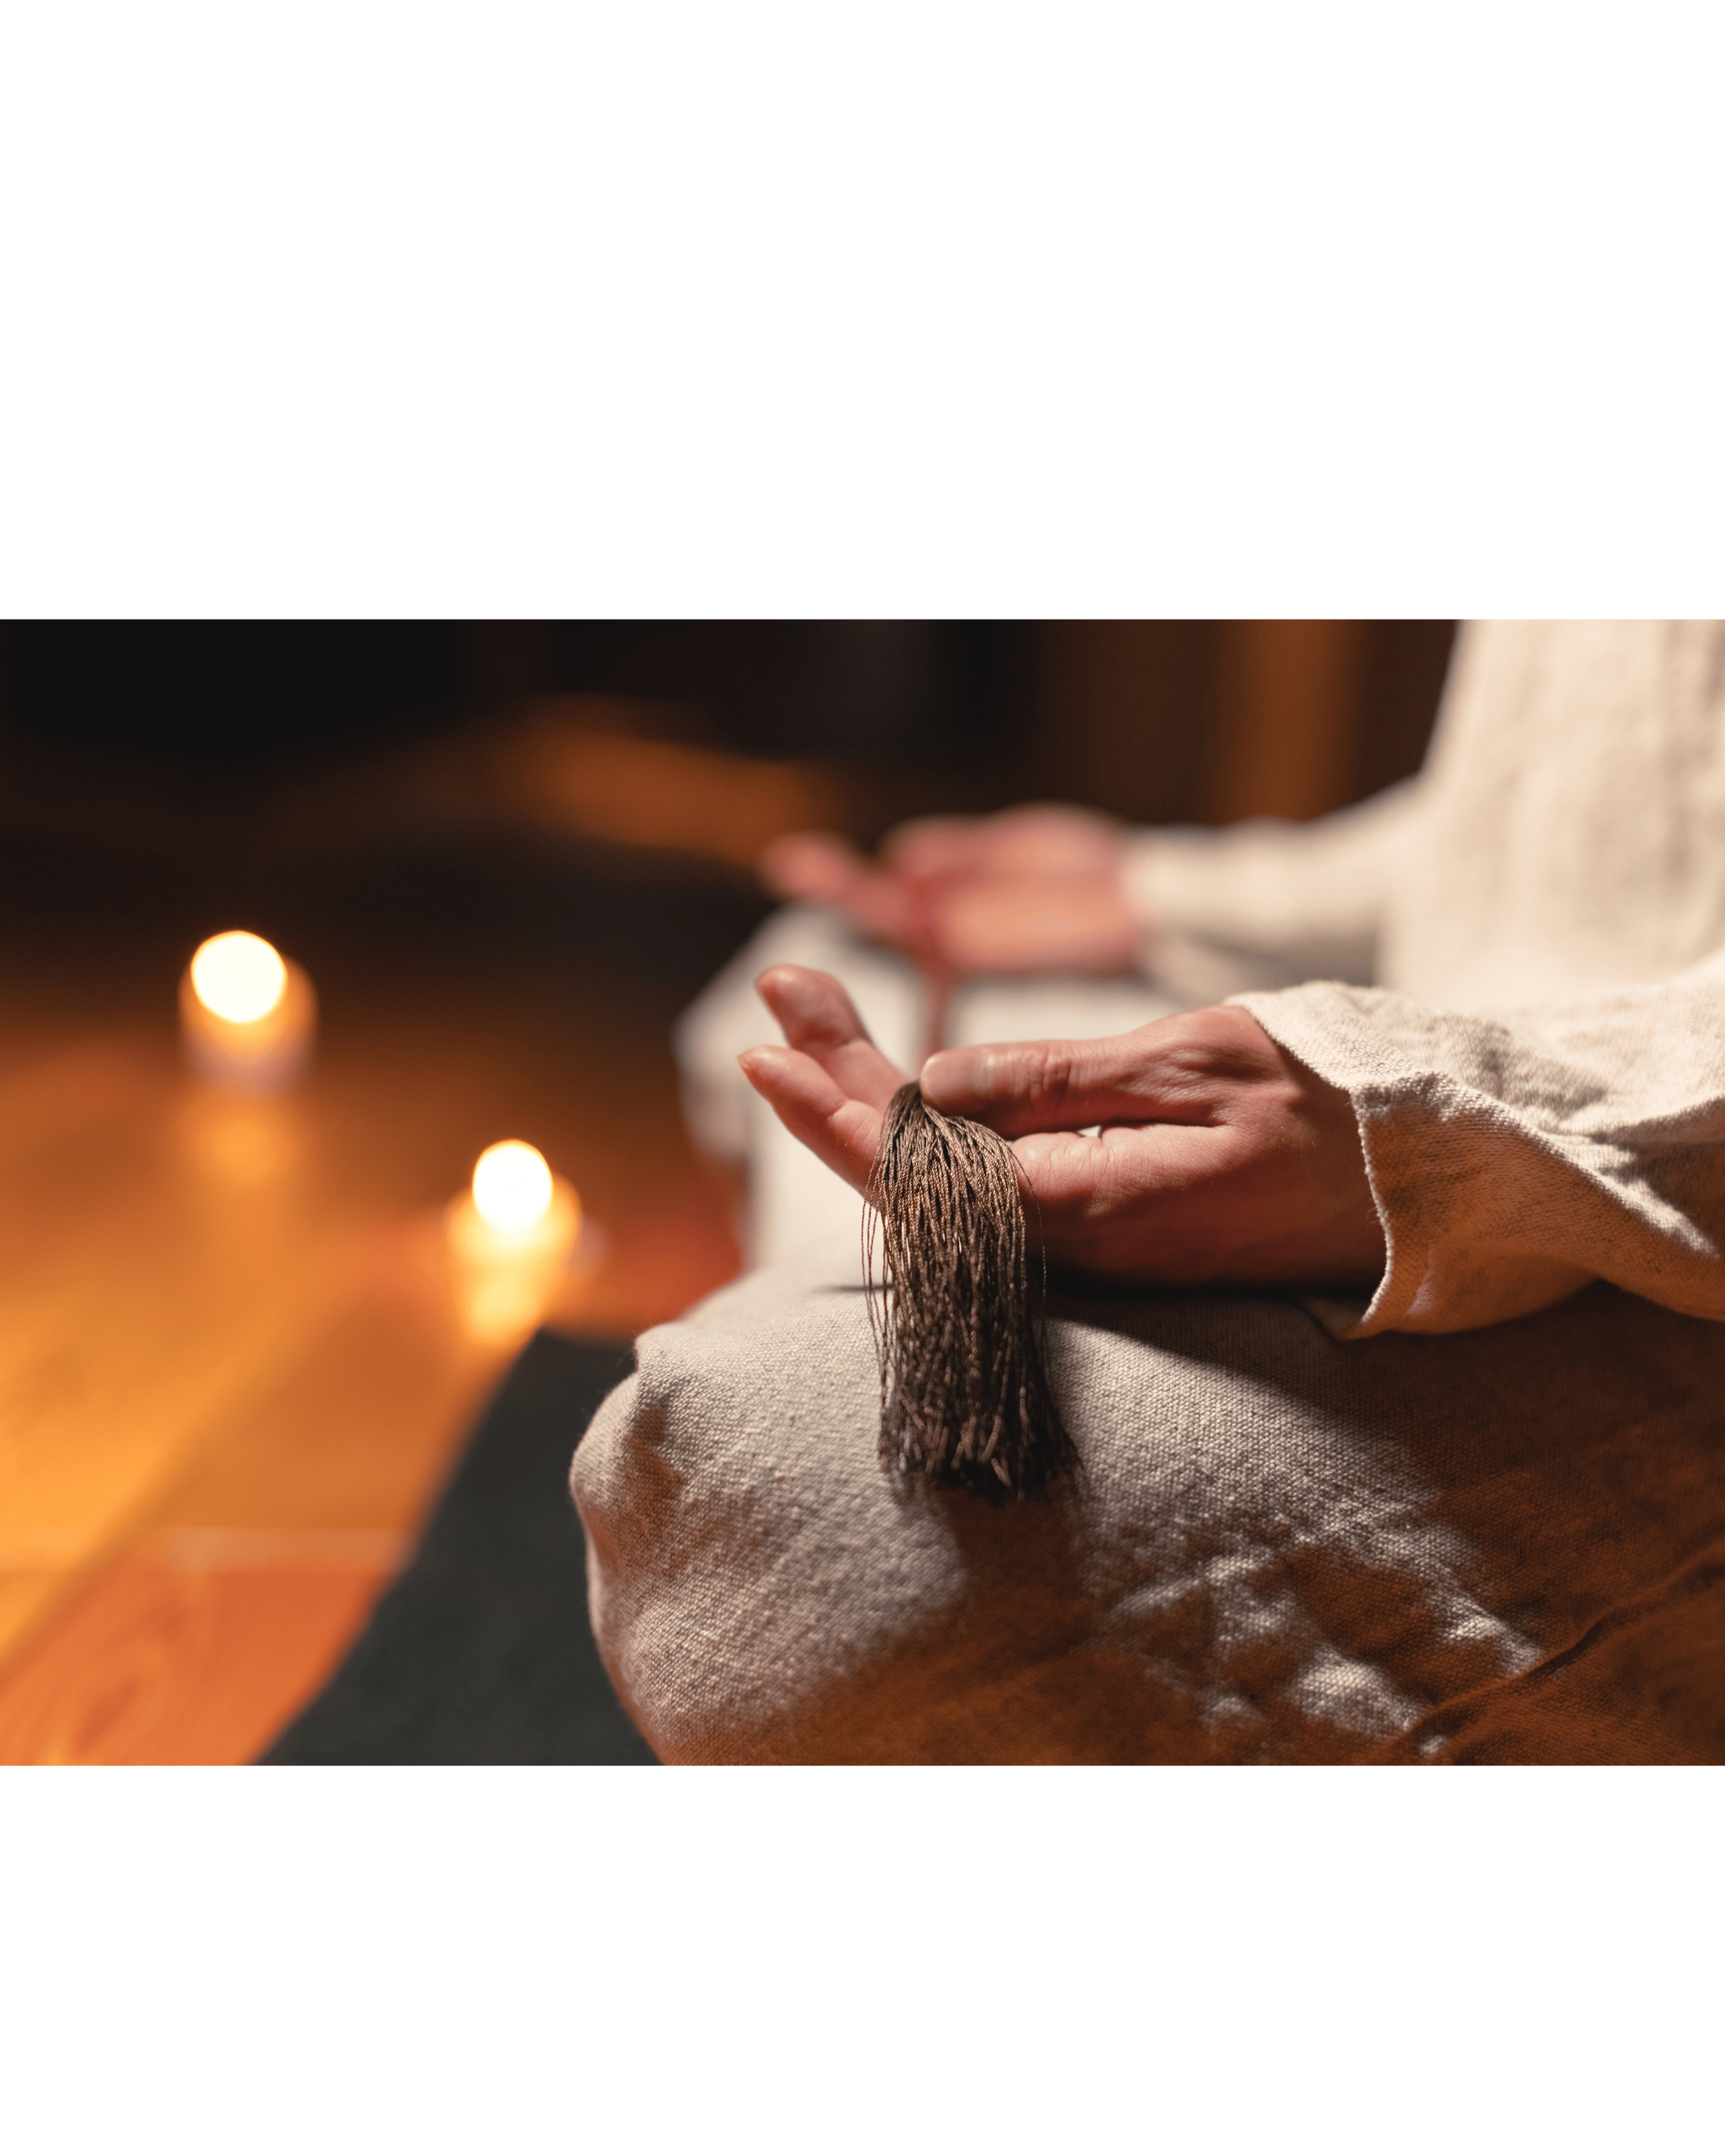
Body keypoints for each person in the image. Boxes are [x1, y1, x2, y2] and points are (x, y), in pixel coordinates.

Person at [572, 620, 1725, 1764]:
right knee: (837, 953)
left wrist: (1456, 1132)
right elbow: (1559, 807)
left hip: (1663, 1238)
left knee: (770, 1521)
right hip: (1494, 1064)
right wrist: (1160, 894)